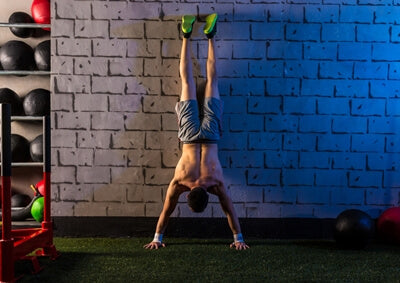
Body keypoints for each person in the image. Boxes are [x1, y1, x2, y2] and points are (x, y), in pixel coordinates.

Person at [143, 14, 249, 250]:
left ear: (204, 194)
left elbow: (229, 211)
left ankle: (210, 35)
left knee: (212, 80)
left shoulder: (215, 184)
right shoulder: (180, 182)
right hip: (189, 136)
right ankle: (187, 34)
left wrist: (239, 239)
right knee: (187, 82)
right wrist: (156, 237)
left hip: (210, 136)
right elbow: (166, 211)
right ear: (189, 194)